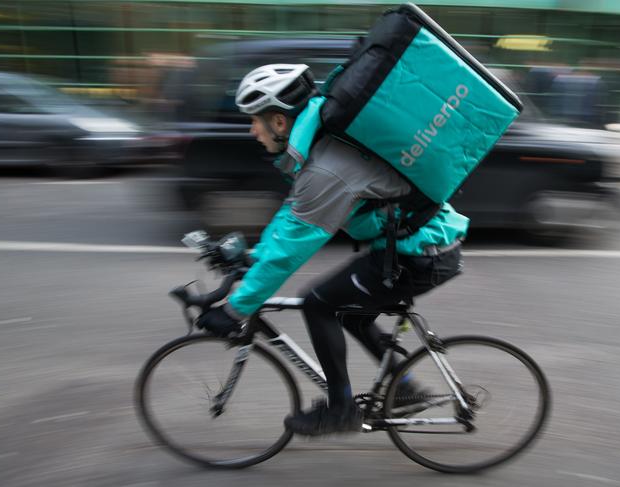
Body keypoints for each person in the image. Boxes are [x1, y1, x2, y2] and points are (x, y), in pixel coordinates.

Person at [197, 64, 468, 436]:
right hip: (418, 246)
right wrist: (253, 259)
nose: (251, 130)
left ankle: (342, 410)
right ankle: (404, 390)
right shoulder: (321, 145)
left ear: (278, 121)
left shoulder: (328, 167)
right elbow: (293, 215)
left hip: (422, 254)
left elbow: (294, 245)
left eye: (254, 121)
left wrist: (234, 309)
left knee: (319, 303)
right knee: (348, 310)